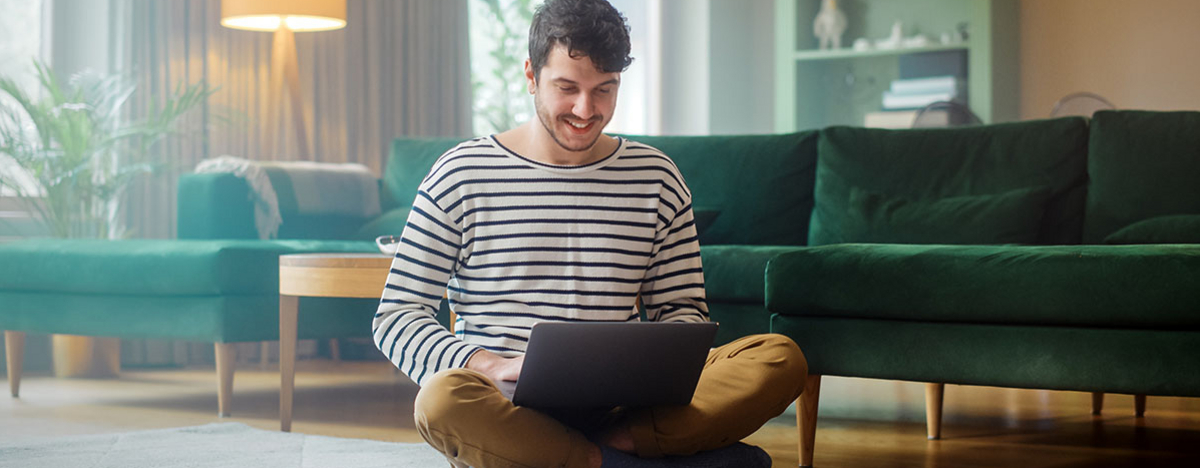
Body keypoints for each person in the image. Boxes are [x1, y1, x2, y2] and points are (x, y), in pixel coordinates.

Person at [372, 0, 807, 466]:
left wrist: (656, 369)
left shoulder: (657, 177)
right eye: (567, 87)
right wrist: (490, 365)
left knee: (779, 357)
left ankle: (597, 453)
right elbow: (398, 316)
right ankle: (626, 459)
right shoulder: (459, 174)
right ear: (531, 76)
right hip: (504, 406)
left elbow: (681, 313)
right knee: (440, 403)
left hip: (626, 408)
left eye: (604, 89)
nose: (586, 109)